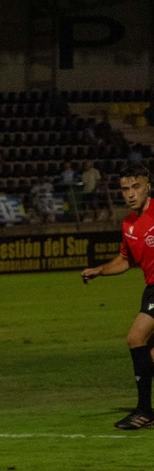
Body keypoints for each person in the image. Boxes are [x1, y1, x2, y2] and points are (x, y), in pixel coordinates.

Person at [80, 165, 154, 430]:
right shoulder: (129, 225)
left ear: (148, 187)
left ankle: (144, 412)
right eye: (125, 189)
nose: (130, 194)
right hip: (151, 289)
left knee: (135, 338)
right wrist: (99, 270)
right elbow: (126, 260)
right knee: (150, 356)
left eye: (136, 187)